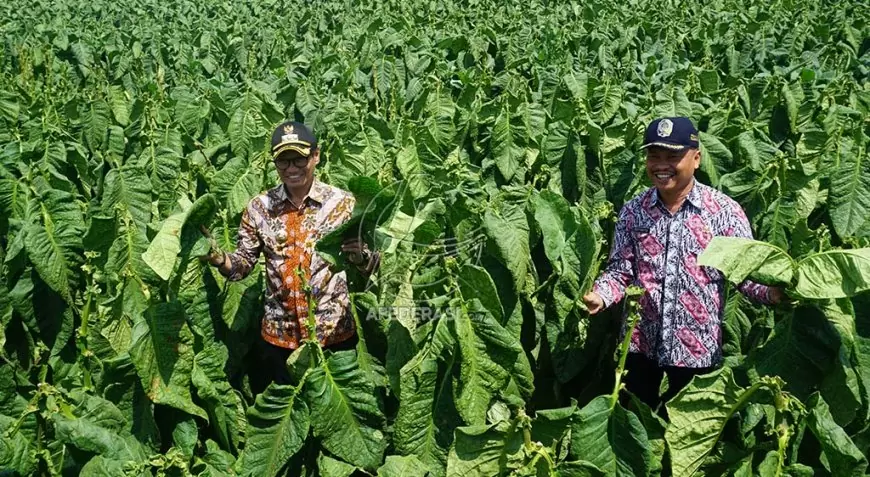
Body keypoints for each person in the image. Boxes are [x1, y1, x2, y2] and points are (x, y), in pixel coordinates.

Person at [582, 117, 785, 417]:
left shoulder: (724, 213)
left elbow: (744, 274)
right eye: (654, 156)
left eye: (673, 156)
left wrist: (772, 294)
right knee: (638, 423)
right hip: (640, 343)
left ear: (696, 158)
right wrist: (601, 295)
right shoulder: (633, 212)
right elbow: (620, 271)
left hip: (697, 349)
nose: (661, 165)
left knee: (690, 430)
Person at [201, 121, 379, 385]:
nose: (292, 168)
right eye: (283, 162)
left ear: (315, 156)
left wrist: (361, 257)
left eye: (299, 159)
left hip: (333, 334)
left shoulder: (343, 204)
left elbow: (374, 266)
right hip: (279, 337)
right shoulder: (259, 208)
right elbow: (242, 266)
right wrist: (218, 258)